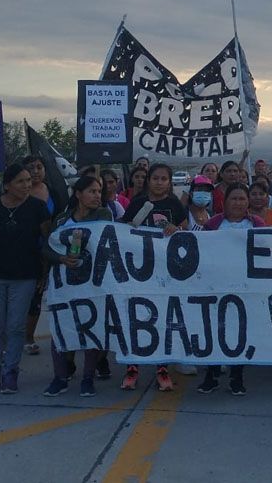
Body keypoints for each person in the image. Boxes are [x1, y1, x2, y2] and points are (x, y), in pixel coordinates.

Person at [0, 162, 50, 394]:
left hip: (25, 276)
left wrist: (43, 274)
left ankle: (10, 372)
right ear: (7, 186)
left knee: (16, 327)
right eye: (21, 181)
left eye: (28, 180)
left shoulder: (38, 208)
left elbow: (47, 241)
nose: (27, 185)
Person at [120, 163, 193, 389]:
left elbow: (185, 231)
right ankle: (133, 368)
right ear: (148, 180)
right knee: (137, 317)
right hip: (140, 271)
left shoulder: (174, 204)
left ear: (170, 182)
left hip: (165, 272)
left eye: (164, 178)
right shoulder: (138, 203)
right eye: (155, 178)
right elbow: (125, 231)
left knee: (162, 319)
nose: (159, 182)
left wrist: (176, 229)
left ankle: (162, 368)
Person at [43, 175, 112, 398]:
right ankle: (60, 378)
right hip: (64, 287)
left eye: (99, 192)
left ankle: (87, 379)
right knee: (61, 328)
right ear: (78, 194)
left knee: (90, 330)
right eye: (91, 191)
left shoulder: (103, 215)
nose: (96, 196)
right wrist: (61, 259)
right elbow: (47, 248)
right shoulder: (63, 220)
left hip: (92, 285)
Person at [197, 183, 266, 396]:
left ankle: (237, 375)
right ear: (225, 202)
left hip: (246, 287)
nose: (238, 203)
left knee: (241, 332)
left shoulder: (257, 224)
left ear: (248, 202)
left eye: (241, 199)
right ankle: (212, 374)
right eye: (233, 198)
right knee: (215, 330)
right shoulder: (213, 224)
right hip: (216, 286)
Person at [20, 155, 55, 357]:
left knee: (37, 296)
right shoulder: (20, 193)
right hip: (23, 252)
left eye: (39, 167)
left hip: (48, 252)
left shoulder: (54, 191)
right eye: (31, 168)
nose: (36, 172)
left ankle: (28, 337)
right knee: (20, 296)